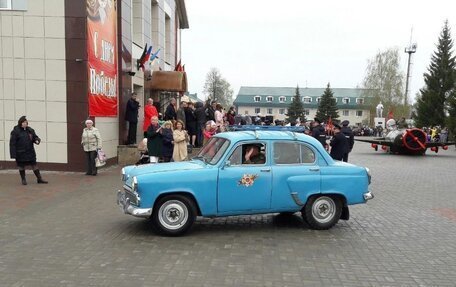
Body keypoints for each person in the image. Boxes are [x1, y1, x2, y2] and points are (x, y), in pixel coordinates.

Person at [10, 116, 48, 185]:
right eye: (23, 122)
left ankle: (39, 179)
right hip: (20, 153)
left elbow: (34, 137)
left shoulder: (30, 130)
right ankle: (23, 179)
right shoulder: (15, 131)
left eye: (26, 122)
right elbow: (12, 144)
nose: (25, 123)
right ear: (20, 123)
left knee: (34, 165)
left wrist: (37, 139)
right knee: (21, 166)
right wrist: (13, 154)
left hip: (30, 152)